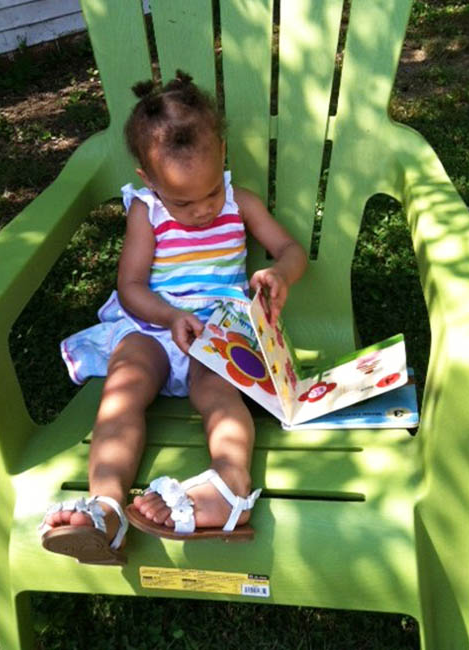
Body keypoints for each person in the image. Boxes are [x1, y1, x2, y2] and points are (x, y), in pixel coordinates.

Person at [40, 70, 307, 563]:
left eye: (208, 194)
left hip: (216, 334)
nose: (203, 210)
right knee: (122, 393)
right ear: (149, 180)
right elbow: (132, 286)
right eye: (183, 201)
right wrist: (168, 317)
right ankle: (107, 508)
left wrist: (280, 275)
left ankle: (229, 486)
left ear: (222, 156)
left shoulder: (238, 202)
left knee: (218, 392)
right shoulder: (147, 212)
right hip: (156, 327)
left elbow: (290, 249)